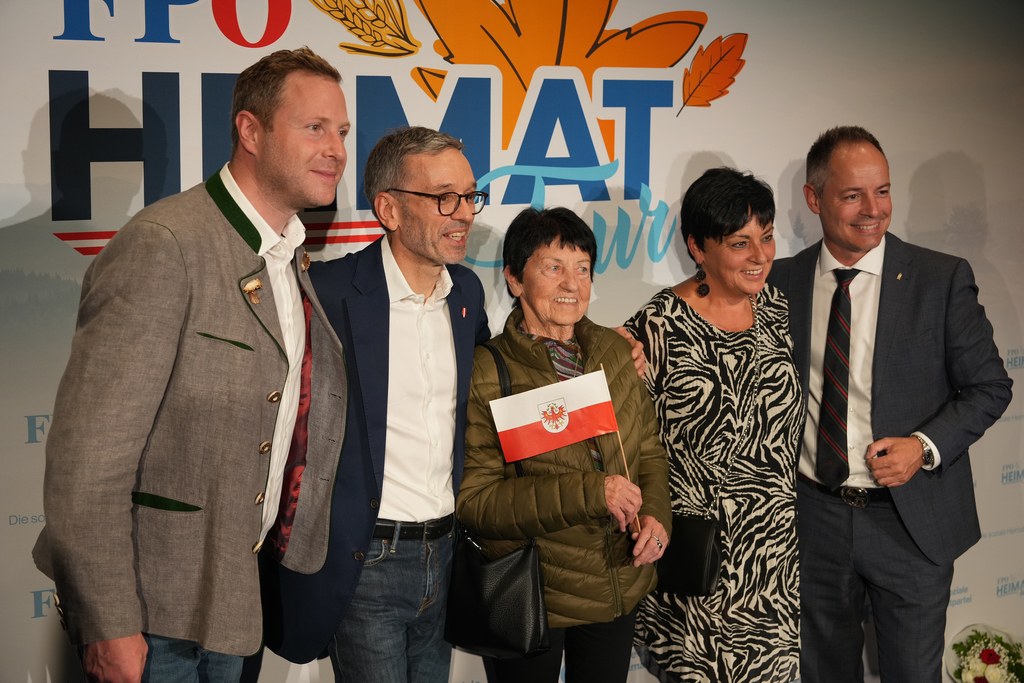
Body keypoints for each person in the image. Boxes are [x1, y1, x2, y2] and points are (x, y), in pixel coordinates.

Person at [31, 47, 351, 683]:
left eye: (341, 131)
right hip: (151, 623)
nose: (337, 150)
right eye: (315, 127)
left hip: (235, 604)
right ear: (250, 131)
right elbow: (87, 465)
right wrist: (110, 623)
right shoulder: (165, 245)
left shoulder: (289, 256)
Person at [767, 126, 1012, 683]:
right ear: (813, 199)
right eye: (853, 195)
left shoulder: (940, 278)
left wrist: (922, 447)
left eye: (882, 191)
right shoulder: (781, 281)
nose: (873, 210)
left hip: (910, 521)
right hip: (813, 519)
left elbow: (990, 387)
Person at [260, 126, 491, 682]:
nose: (464, 214)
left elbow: (495, 382)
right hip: (367, 560)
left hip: (446, 555)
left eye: (470, 196)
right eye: (445, 198)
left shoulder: (467, 292)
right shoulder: (328, 291)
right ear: (389, 209)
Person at [458, 206, 671, 683]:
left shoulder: (615, 352)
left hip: (617, 583)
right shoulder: (487, 370)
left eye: (582, 269)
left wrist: (656, 519)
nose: (571, 284)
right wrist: (592, 492)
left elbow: (649, 454)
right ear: (515, 279)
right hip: (533, 591)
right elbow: (477, 501)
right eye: (553, 268)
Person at [626, 167, 803, 682]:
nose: (760, 255)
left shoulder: (775, 308)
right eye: (740, 243)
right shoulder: (659, 324)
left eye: (766, 237)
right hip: (699, 555)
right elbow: (631, 445)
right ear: (698, 248)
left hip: (772, 560)